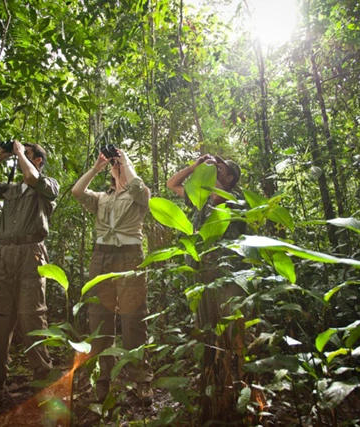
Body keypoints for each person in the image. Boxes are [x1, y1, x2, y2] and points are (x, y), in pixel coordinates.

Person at [0, 140, 59, 409]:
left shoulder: (47, 184)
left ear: (38, 160)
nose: (19, 159)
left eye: (29, 155)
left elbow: (31, 177)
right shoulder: (10, 189)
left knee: (32, 316)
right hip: (2, 255)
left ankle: (43, 383)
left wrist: (21, 153)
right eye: (21, 155)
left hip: (31, 253)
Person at [71, 147, 153, 405]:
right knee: (100, 317)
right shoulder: (101, 198)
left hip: (130, 257)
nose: (116, 166)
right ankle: (104, 380)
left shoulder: (139, 195)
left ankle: (140, 379)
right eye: (114, 166)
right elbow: (76, 192)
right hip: (101, 258)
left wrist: (126, 160)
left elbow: (138, 186)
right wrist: (97, 167)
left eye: (119, 164)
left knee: (133, 318)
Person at [166, 153, 245, 422]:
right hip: (201, 275)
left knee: (227, 330)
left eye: (220, 169)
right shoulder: (200, 199)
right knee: (205, 329)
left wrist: (211, 169)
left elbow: (220, 197)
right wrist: (194, 167)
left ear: (229, 177)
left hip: (225, 275)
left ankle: (232, 388)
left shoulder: (233, 197)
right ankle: (209, 386)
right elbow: (171, 184)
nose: (213, 170)